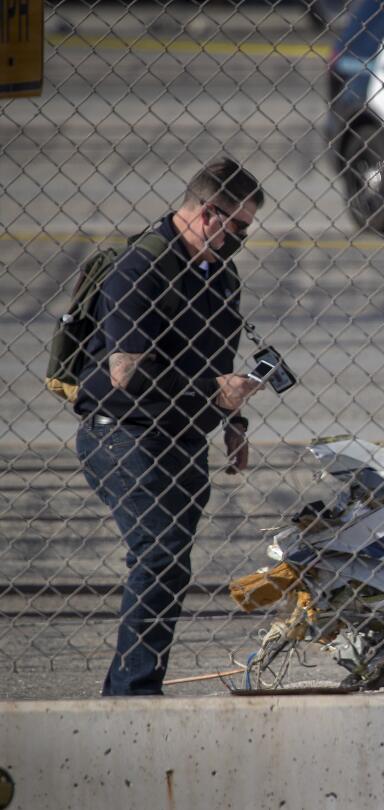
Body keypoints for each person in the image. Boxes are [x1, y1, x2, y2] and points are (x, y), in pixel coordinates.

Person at [74, 158, 264, 696]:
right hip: (126, 435)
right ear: (208, 214)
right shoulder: (142, 267)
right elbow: (124, 372)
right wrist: (210, 392)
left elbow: (216, 361)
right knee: (159, 558)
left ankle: (131, 688)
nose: (242, 240)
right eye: (240, 227)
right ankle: (132, 693)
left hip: (181, 438)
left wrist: (234, 418)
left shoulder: (216, 272)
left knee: (169, 563)